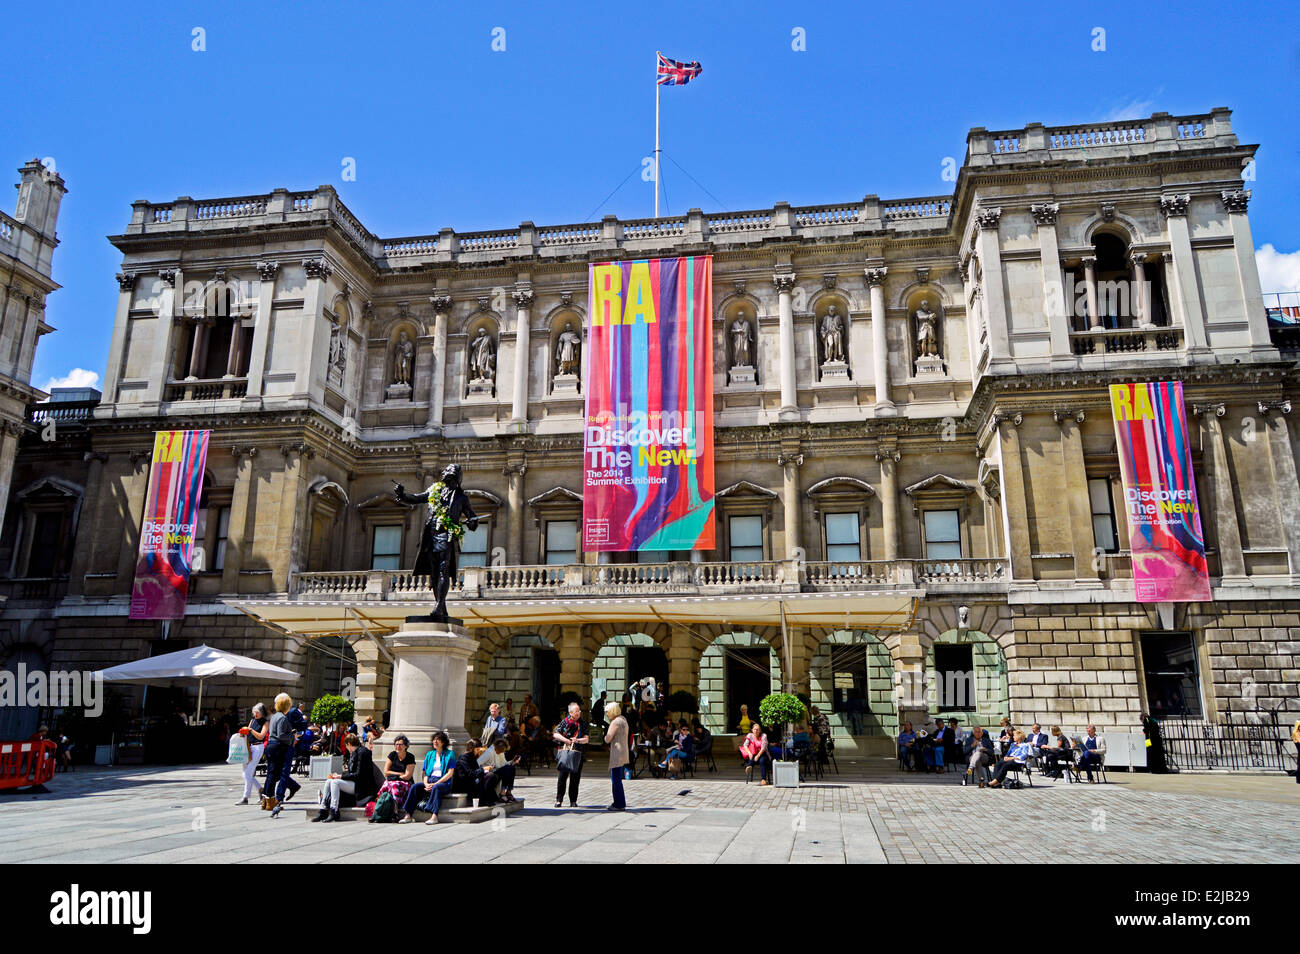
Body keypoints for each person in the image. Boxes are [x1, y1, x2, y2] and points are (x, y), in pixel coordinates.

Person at [313, 733, 377, 823]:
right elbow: (352, 773)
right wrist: (338, 775)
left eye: (346, 746)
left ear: (349, 744)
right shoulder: (355, 753)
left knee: (335, 782)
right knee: (329, 780)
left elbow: (359, 774)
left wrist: (341, 776)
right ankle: (323, 809)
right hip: (355, 782)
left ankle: (334, 810)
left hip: (362, 786)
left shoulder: (362, 753)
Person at [398, 731, 456, 824]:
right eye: (434, 740)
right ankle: (408, 815)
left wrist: (436, 783)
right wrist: (426, 783)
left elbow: (450, 773)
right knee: (415, 787)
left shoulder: (450, 754)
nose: (435, 742)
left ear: (443, 742)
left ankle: (434, 816)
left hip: (443, 783)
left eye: (438, 740)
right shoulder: (430, 754)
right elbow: (424, 773)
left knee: (436, 788)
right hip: (429, 780)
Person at [261, 693, 298, 811]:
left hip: (271, 746)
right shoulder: (282, 718)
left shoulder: (274, 716)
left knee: (271, 774)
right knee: (274, 775)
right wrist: (292, 736)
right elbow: (281, 735)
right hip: (278, 747)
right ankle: (271, 802)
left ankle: (265, 801)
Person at [552, 701, 589, 808]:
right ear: (571, 712)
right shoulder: (565, 722)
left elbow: (586, 739)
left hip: (578, 754)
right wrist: (567, 740)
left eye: (579, 710)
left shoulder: (582, 723)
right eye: (576, 711)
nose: (578, 712)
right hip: (565, 752)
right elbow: (555, 734)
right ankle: (559, 800)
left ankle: (573, 800)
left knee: (575, 778)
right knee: (562, 777)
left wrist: (577, 740)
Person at [237, 703, 269, 805]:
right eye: (254, 712)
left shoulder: (265, 722)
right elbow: (247, 733)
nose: (255, 714)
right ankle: (260, 790)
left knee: (247, 773)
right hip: (249, 746)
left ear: (262, 713)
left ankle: (246, 797)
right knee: (246, 772)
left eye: (257, 712)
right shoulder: (252, 720)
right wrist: (243, 731)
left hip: (258, 747)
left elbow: (261, 736)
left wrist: (251, 730)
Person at [478, 737, 520, 803]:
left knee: (511, 767)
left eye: (502, 752)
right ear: (496, 748)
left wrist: (512, 762)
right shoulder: (489, 753)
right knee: (508, 768)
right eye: (499, 752)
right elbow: (478, 763)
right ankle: (502, 793)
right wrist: (485, 768)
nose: (500, 753)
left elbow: (504, 763)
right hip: (490, 773)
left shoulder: (501, 752)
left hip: (497, 771)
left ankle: (508, 792)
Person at [379, 734, 416, 808]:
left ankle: (394, 808)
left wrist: (393, 775)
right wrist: (399, 774)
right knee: (388, 784)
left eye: (400, 744)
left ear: (406, 746)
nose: (398, 746)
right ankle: (382, 807)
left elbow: (407, 776)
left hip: (406, 783)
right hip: (392, 781)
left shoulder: (410, 757)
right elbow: (386, 772)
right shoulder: (392, 755)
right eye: (396, 744)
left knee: (394, 785)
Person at [605, 702, 629, 811]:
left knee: (615, 779)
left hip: (617, 752)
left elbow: (608, 738)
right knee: (618, 778)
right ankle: (620, 802)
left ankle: (618, 804)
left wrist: (605, 737)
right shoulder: (623, 720)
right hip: (623, 751)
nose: (606, 713)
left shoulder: (615, 722)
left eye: (607, 711)